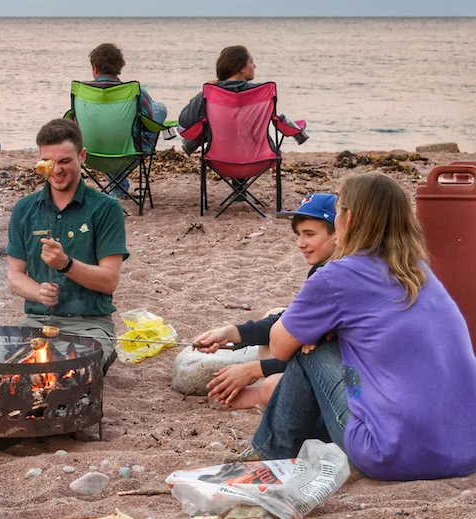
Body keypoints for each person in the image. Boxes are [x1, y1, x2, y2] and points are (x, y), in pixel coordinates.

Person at [234, 172, 476, 481]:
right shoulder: (418, 271)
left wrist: (318, 332)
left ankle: (272, 452)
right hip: (465, 449)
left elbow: (281, 345)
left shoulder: (336, 276)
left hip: (392, 454)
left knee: (308, 347)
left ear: (347, 218)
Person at [193, 193, 338, 410]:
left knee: (273, 383)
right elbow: (291, 320)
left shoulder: (333, 277)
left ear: (338, 233)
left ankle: (263, 396)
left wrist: (252, 370)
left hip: (341, 375)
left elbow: (316, 353)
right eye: (299, 234)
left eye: (309, 234)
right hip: (325, 361)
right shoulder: (323, 268)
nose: (300, 244)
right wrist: (230, 333)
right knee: (277, 314)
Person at [5, 119, 128, 371]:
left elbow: (109, 280)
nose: (57, 171)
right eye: (49, 163)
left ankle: (103, 354)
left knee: (67, 373)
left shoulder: (106, 208)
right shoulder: (25, 209)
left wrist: (66, 264)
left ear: (82, 156)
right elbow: (15, 276)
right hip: (35, 321)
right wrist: (38, 293)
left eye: (65, 161)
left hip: (89, 324)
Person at [85, 43, 168, 198]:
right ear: (119, 67)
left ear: (95, 68)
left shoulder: (82, 94)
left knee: (111, 132)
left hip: (91, 152)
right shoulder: (135, 92)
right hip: (131, 152)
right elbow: (149, 121)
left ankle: (118, 188)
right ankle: (118, 187)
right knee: (159, 109)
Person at [177, 45, 258, 155]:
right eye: (251, 62)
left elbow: (184, 123)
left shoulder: (210, 92)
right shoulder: (260, 93)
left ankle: (192, 143)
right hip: (257, 157)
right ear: (241, 67)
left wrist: (203, 92)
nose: (255, 66)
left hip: (218, 158)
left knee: (208, 121)